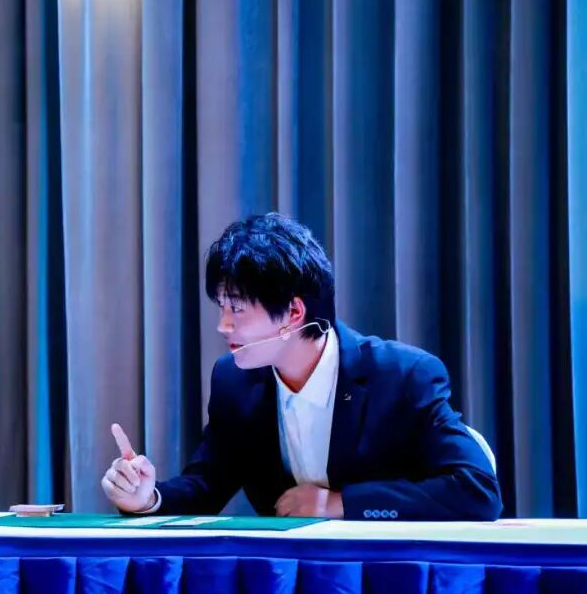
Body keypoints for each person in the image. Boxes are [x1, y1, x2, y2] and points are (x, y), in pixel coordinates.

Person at [101, 213, 502, 522]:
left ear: (294, 312)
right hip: (287, 583)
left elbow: (477, 490)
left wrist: (340, 503)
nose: (223, 325)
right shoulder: (234, 380)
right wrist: (147, 497)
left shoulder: (402, 375)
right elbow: (207, 485)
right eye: (221, 307)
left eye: (237, 308)